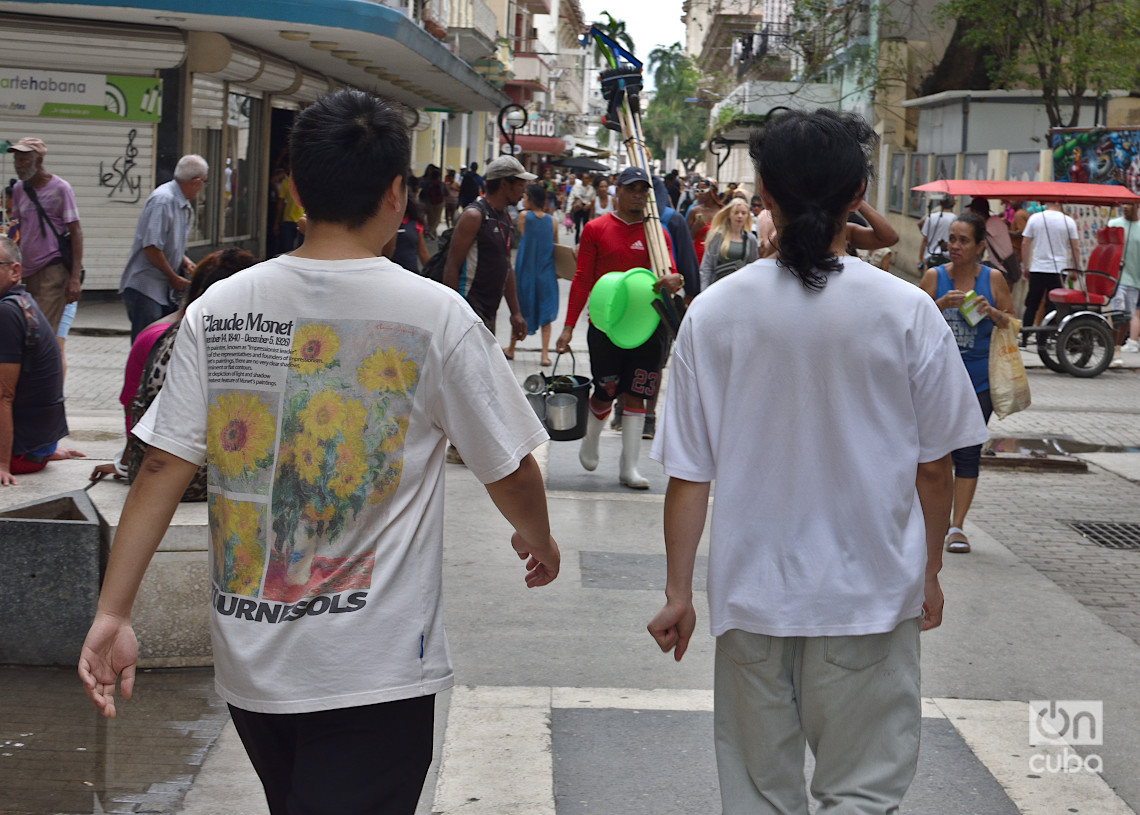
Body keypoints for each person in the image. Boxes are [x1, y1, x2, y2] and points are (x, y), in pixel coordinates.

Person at [78, 90, 560, 815]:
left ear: (295, 189)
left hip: (251, 663)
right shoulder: (435, 315)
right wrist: (539, 536)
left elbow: (160, 464)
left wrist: (113, 610)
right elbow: (510, 466)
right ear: (399, 193)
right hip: (375, 667)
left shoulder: (219, 305)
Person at [646, 109, 987, 815]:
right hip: (870, 598)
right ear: (858, 191)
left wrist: (679, 592)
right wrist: (928, 569)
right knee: (861, 794)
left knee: (760, 798)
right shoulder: (906, 311)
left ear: (763, 193)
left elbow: (690, 475)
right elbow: (936, 466)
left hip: (753, 602)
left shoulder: (715, 314)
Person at [555, 166, 683, 489]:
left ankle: (630, 467)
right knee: (605, 392)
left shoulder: (658, 234)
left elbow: (671, 274)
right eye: (632, 189)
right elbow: (582, 277)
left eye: (644, 190)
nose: (638, 195)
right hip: (606, 326)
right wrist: (568, 327)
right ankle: (590, 441)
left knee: (637, 394)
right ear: (619, 191)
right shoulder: (596, 229)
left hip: (645, 327)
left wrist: (674, 281)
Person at [90, 248, 258, 494]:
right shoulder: (176, 339)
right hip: (202, 477)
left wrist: (126, 464)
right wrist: (126, 464)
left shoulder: (153, 334)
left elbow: (135, 410)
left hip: (171, 472)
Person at [919, 213, 1015, 554]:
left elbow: (1012, 323)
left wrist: (992, 312)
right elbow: (912, 319)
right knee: (935, 453)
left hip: (978, 381)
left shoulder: (993, 279)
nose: (954, 246)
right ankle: (937, 520)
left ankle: (957, 527)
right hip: (938, 383)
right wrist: (940, 304)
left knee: (969, 452)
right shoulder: (934, 277)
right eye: (951, 239)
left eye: (962, 240)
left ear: (979, 246)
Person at [0, 235, 84, 486]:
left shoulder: (6, 312)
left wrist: (3, 464)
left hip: (21, 456)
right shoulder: (23, 303)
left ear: (15, 271)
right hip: (38, 450)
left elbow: (4, 396)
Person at [119, 155, 208, 342]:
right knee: (147, 346)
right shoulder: (163, 200)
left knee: (162, 342)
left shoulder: (180, 203)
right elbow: (151, 247)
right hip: (147, 288)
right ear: (196, 182)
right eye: (203, 183)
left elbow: (166, 243)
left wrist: (184, 261)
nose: (202, 188)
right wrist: (172, 276)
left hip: (163, 290)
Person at [7, 137, 83, 333]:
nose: (18, 166)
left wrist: (74, 278)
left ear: (39, 161)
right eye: (16, 160)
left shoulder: (60, 189)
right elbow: (16, 230)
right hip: (26, 271)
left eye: (24, 160)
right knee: (24, 328)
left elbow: (75, 232)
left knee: (41, 332)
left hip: (53, 270)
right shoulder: (19, 189)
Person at [505, 184, 558, 365]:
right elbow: (556, 246)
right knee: (546, 311)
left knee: (520, 310)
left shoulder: (523, 217)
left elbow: (523, 235)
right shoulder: (552, 221)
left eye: (525, 196)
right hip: (546, 272)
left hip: (525, 271)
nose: (523, 199)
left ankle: (511, 348)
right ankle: (544, 355)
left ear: (532, 199)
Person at [1020, 201, 1079, 329]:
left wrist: (1025, 267)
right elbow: (1075, 248)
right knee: (1052, 306)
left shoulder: (1035, 218)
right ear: (1059, 203)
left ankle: (1024, 336)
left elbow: (1025, 243)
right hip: (1059, 270)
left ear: (1046, 203)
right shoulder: (1068, 221)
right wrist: (1075, 269)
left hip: (1037, 269)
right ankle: (1045, 339)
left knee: (1032, 304)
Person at [698, 198, 759, 290]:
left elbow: (752, 267)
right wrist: (704, 290)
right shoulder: (717, 236)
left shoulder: (751, 239)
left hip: (740, 288)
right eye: (736, 212)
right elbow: (707, 266)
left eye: (743, 213)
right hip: (717, 286)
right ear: (729, 215)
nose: (740, 216)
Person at [383, 193, 430, 274]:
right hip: (389, 274)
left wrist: (431, 273)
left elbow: (422, 252)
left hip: (411, 272)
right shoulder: (382, 223)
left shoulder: (414, 222)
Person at [686, 178, 720, 265]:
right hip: (697, 252)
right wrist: (695, 228)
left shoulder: (721, 211)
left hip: (716, 252)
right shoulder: (694, 211)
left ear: (712, 191)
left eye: (703, 190)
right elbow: (686, 238)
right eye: (697, 190)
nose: (699, 194)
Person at [918, 195, 955, 270]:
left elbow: (925, 239)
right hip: (947, 258)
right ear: (953, 204)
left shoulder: (931, 217)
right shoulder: (955, 219)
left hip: (931, 257)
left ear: (940, 203)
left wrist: (920, 258)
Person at [567, 172, 596, 244]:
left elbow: (594, 198)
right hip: (578, 208)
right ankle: (577, 243)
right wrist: (568, 210)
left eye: (587, 178)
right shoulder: (576, 187)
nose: (586, 180)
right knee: (577, 228)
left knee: (586, 227)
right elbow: (571, 198)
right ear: (581, 178)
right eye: (584, 178)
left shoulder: (591, 189)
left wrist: (589, 204)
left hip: (587, 209)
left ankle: (584, 243)